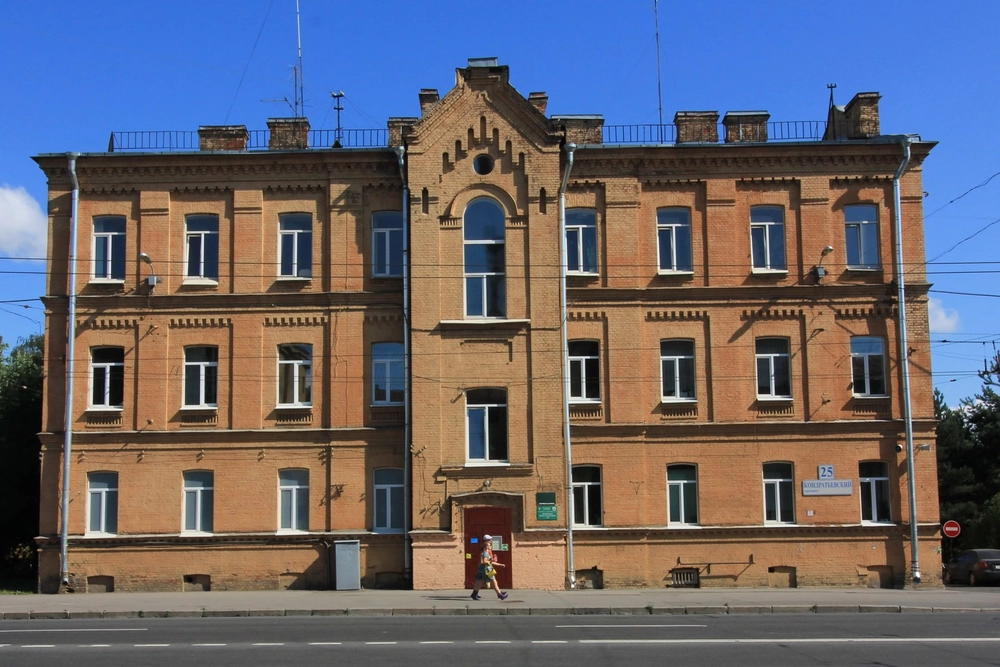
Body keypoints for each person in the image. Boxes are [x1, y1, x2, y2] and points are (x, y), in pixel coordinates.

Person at [470, 534, 507, 600]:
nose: (491, 546)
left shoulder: (484, 552)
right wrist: (491, 561)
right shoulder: (486, 553)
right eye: (490, 545)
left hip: (481, 568)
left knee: (479, 581)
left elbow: (488, 561)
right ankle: (500, 594)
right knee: (493, 581)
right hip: (486, 569)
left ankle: (474, 594)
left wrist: (499, 564)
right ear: (486, 546)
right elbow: (484, 561)